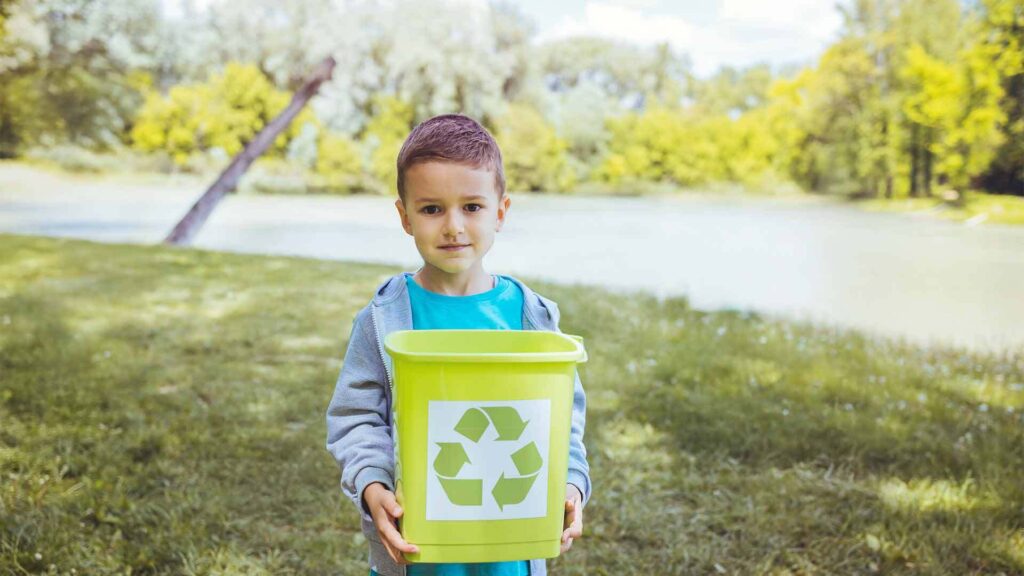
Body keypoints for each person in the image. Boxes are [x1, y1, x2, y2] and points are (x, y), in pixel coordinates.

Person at [325, 114, 592, 576]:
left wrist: (571, 484)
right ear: (405, 217)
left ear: (500, 212)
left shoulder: (533, 318)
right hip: (417, 556)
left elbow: (562, 423)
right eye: (432, 209)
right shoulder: (384, 319)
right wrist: (371, 485)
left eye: (471, 207)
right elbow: (356, 417)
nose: (453, 227)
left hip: (508, 556)